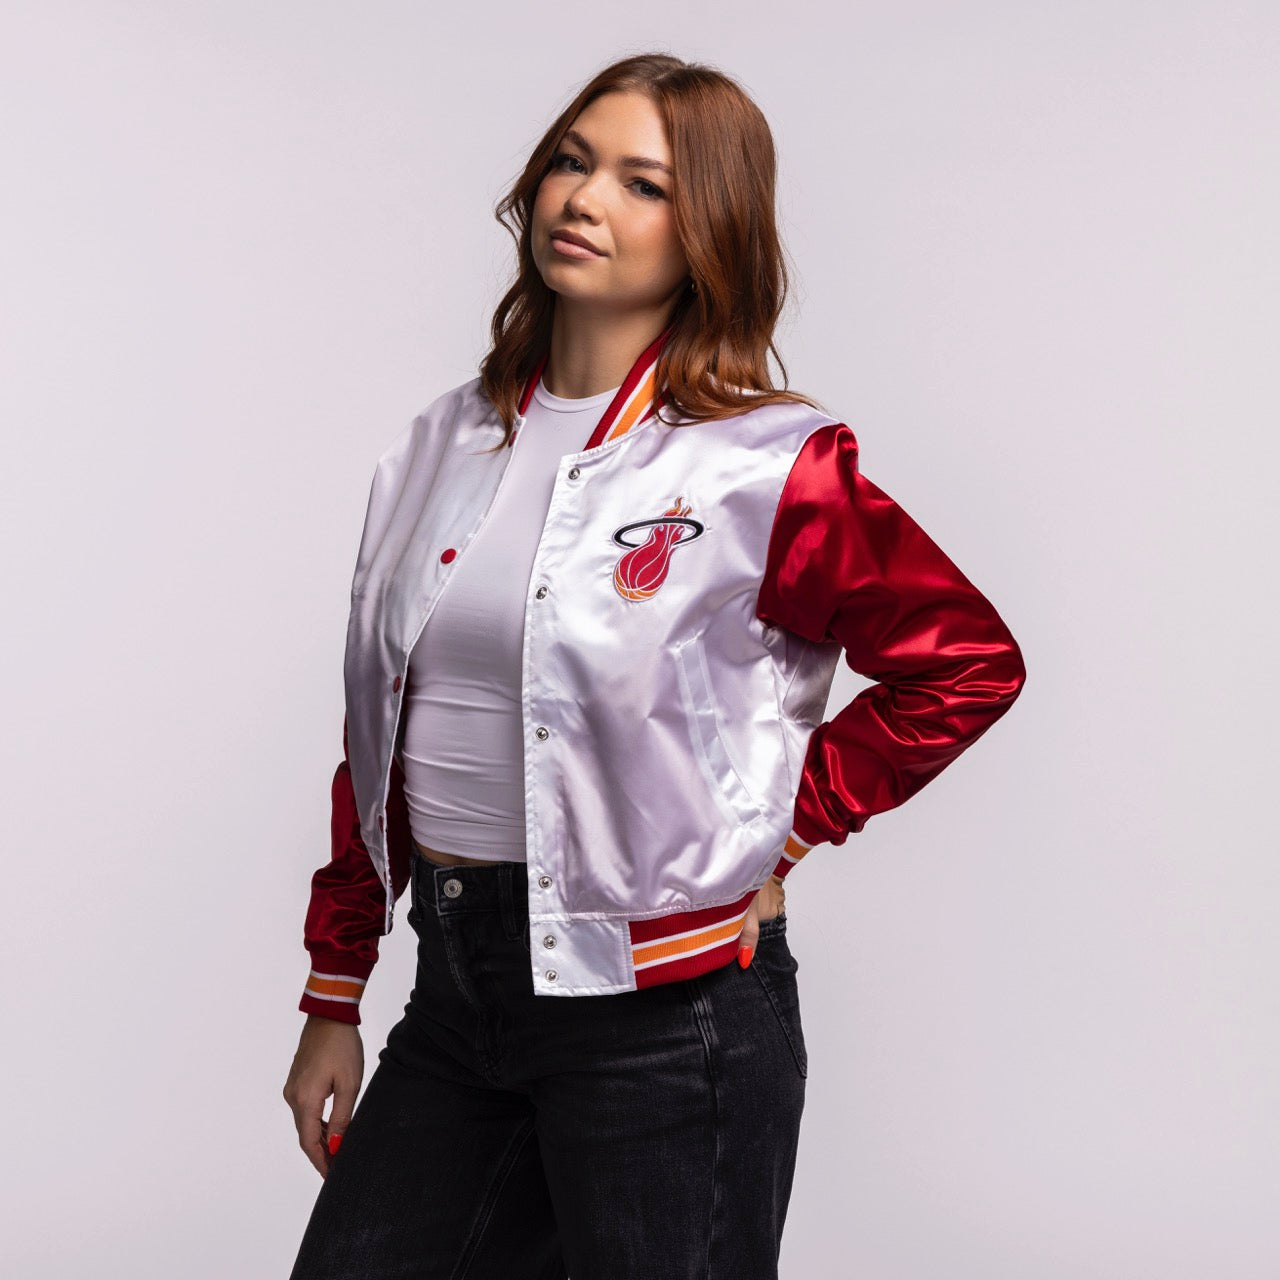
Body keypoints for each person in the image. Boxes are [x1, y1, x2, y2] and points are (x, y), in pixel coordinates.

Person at [282, 51, 1026, 1280]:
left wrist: (775, 827)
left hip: (668, 1016)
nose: (585, 199)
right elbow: (381, 738)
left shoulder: (759, 464)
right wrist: (333, 986)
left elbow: (965, 661)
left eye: (642, 184)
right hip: (456, 993)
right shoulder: (439, 441)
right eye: (573, 161)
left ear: (707, 234)